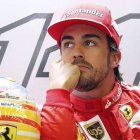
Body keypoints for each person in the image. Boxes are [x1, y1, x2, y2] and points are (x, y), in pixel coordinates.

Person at [41, 3, 140, 140]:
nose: (76, 53)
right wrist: (57, 96)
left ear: (114, 58)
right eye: (68, 44)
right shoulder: (39, 120)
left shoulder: (138, 101)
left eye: (89, 43)